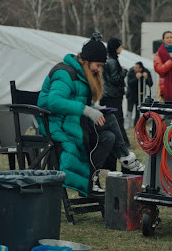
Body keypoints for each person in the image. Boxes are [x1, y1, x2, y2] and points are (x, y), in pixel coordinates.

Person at [37, 33, 144, 196]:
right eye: (98, 65)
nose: (99, 69)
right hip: (55, 124)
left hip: (72, 121)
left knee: (109, 136)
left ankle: (91, 178)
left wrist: (94, 107)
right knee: (110, 119)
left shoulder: (82, 74)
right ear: (86, 61)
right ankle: (126, 157)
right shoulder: (64, 73)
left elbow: (79, 101)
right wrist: (87, 110)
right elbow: (54, 102)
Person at [101, 37, 129, 146]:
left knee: (115, 118)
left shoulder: (109, 59)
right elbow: (115, 79)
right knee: (117, 118)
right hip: (114, 94)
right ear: (116, 47)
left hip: (110, 94)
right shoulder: (112, 61)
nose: (121, 48)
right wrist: (124, 72)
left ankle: (121, 141)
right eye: (120, 46)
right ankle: (123, 142)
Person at [126, 61, 153, 126]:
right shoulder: (131, 71)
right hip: (131, 94)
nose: (134, 69)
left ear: (140, 68)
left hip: (140, 94)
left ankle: (137, 125)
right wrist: (136, 78)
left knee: (138, 110)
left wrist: (146, 78)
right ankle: (128, 125)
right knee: (129, 110)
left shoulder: (146, 71)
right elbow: (129, 83)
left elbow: (150, 83)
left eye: (136, 68)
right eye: (134, 67)